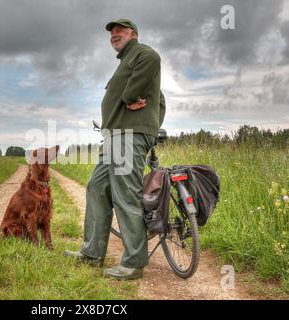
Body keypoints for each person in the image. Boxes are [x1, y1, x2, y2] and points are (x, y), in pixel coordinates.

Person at [64, 19, 166, 280]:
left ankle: (133, 263)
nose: (114, 34)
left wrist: (130, 100)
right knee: (96, 187)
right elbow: (160, 101)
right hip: (114, 137)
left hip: (128, 136)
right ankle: (92, 253)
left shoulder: (143, 54)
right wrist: (151, 121)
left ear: (134, 34)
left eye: (120, 30)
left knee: (125, 194)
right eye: (111, 32)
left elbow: (154, 60)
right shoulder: (125, 62)